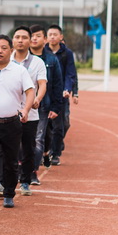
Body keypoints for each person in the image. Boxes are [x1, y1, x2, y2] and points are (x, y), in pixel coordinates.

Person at [0, 34, 35, 213]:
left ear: (11, 50)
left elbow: (30, 91)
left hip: (12, 123)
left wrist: (25, 110)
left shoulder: (19, 71)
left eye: (3, 48)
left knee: (11, 161)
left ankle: (9, 193)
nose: (0, 51)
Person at [7, 26, 46, 199]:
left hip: (31, 115)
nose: (20, 40)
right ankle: (6, 180)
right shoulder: (6, 60)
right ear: (13, 41)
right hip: (9, 114)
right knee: (9, 149)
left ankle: (25, 181)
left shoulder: (37, 62)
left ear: (30, 41)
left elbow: (42, 83)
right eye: (17, 37)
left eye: (24, 37)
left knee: (28, 149)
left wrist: (37, 99)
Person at [29, 25, 63, 183]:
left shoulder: (51, 59)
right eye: (32, 36)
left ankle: (33, 172)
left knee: (38, 139)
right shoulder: (19, 58)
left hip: (42, 106)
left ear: (44, 39)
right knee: (20, 141)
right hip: (20, 106)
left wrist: (56, 107)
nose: (34, 38)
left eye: (37, 36)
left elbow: (57, 84)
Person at [46, 24, 79, 165]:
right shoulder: (43, 52)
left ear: (61, 37)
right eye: (50, 34)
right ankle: (51, 152)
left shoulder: (67, 53)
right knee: (46, 125)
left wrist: (69, 90)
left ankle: (56, 149)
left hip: (61, 95)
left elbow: (71, 74)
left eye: (55, 34)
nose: (52, 37)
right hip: (45, 94)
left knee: (63, 124)